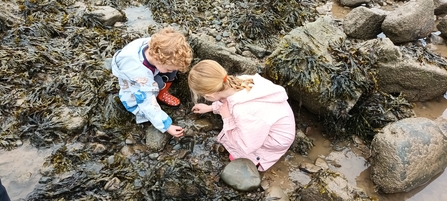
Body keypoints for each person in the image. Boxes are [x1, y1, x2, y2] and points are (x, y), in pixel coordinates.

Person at [188, 60, 296, 171]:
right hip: (280, 123)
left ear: (209, 95)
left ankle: (257, 161)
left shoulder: (243, 111)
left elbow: (248, 144)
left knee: (237, 150)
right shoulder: (241, 80)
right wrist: (211, 108)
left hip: (276, 141)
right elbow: (226, 100)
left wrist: (227, 118)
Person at [111, 27, 193, 137]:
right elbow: (147, 103)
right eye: (169, 68)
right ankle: (156, 94)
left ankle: (162, 93)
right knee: (149, 94)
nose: (172, 71)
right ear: (157, 59)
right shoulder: (139, 74)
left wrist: (170, 70)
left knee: (171, 74)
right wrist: (166, 126)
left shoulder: (159, 47)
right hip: (132, 80)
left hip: (147, 68)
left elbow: (172, 53)